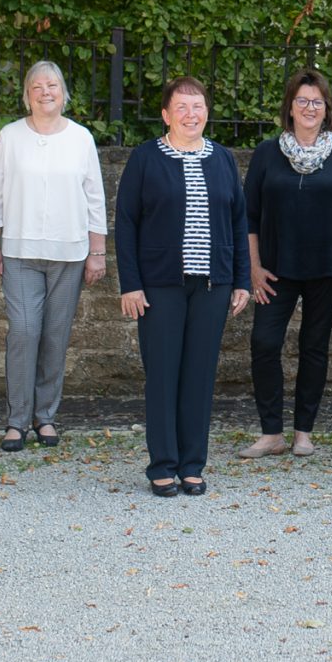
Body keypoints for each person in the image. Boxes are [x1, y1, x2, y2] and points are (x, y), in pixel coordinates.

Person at [114, 77, 252, 496]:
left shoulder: (223, 158)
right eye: (182, 107)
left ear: (207, 112)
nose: (191, 115)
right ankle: (162, 465)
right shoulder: (145, 158)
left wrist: (241, 280)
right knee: (162, 376)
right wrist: (131, 284)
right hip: (160, 287)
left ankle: (193, 465)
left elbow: (238, 221)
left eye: (198, 106)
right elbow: (126, 223)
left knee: (199, 377)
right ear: (166, 114)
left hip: (212, 286)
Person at [0, 60, 108, 452]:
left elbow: (94, 197)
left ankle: (46, 416)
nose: (45, 92)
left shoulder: (81, 138)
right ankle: (17, 420)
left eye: (52, 85)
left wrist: (97, 252)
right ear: (27, 94)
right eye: (37, 87)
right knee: (24, 332)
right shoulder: (10, 137)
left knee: (55, 335)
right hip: (19, 251)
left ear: (63, 92)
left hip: (68, 252)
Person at [240, 69, 332, 459]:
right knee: (264, 343)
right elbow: (249, 216)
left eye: (317, 101)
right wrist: (253, 267)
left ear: (326, 108)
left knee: (314, 347)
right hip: (274, 270)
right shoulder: (266, 153)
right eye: (302, 101)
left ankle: (303, 433)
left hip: (327, 269)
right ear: (289, 108)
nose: (310, 108)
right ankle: (271, 433)